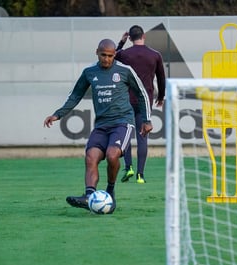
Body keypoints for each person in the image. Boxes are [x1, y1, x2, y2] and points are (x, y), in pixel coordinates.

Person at [44, 39, 152, 213]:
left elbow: (142, 93)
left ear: (114, 55)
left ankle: (110, 191)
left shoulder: (125, 71)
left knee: (112, 155)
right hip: (102, 125)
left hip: (123, 123)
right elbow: (75, 95)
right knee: (90, 157)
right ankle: (89, 196)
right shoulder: (89, 72)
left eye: (110, 56)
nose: (107, 59)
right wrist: (58, 114)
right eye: (103, 55)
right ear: (97, 52)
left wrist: (147, 119)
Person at [115, 25, 166, 184]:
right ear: (143, 35)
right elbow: (161, 78)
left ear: (129, 37)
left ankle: (128, 166)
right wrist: (161, 97)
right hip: (146, 101)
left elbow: (110, 58)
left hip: (127, 100)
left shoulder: (124, 54)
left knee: (126, 135)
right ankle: (140, 175)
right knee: (142, 137)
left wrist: (121, 44)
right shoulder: (155, 55)